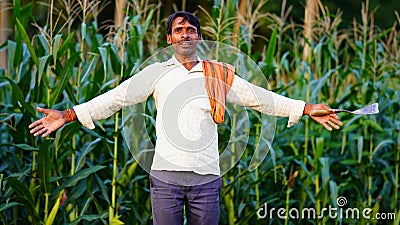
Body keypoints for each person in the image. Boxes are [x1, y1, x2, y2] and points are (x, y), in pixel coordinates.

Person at [29, 11, 342, 225]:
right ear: (170, 39)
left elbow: (259, 98)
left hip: (206, 177)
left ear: (199, 36)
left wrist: (304, 107)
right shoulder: (157, 73)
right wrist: (69, 115)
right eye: (178, 30)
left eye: (190, 29)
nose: (185, 34)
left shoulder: (217, 74)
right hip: (165, 177)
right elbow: (116, 98)